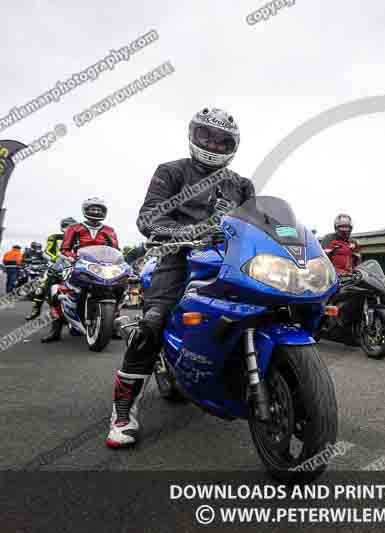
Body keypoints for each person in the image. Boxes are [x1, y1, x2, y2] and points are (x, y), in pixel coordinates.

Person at [105, 107, 255, 448]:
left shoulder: (242, 185)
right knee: (151, 325)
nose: (214, 145)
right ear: (193, 136)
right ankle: (123, 413)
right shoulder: (171, 172)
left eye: (222, 140)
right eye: (207, 137)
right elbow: (150, 216)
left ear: (233, 145)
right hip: (179, 258)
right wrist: (192, 232)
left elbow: (257, 221)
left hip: (232, 262)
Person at [40, 199, 120, 342]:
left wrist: (117, 261)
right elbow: (65, 249)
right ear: (85, 210)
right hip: (76, 261)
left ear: (104, 212)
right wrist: (71, 258)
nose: (96, 212)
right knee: (55, 285)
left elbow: (115, 249)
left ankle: (111, 326)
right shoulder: (74, 228)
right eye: (92, 209)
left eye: (99, 209)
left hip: (101, 264)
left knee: (119, 285)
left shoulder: (109, 230)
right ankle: (55, 329)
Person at [27, 218, 78, 320]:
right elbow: (46, 252)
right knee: (40, 290)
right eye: (67, 225)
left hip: (73, 267)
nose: (69, 228)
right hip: (55, 267)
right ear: (62, 227)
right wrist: (55, 258)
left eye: (72, 226)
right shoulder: (54, 237)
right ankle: (35, 311)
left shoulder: (79, 239)